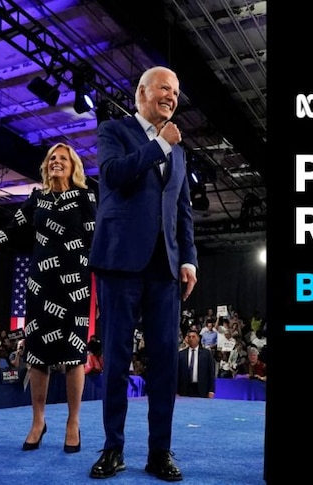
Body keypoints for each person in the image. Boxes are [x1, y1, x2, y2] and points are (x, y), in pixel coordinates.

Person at [0, 142, 96, 455]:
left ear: (74, 167)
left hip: (75, 288)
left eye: (63, 159)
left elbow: (100, 239)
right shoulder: (37, 199)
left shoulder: (86, 198)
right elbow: (6, 233)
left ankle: (73, 422)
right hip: (41, 285)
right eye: (52, 158)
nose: (57, 161)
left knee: (74, 357)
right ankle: (38, 421)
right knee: (38, 356)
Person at [88, 65, 198, 481]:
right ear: (142, 92)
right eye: (165, 89)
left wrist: (188, 260)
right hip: (120, 265)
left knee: (165, 364)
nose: (171, 97)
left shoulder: (180, 151)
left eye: (176, 91)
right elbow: (113, 176)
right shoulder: (114, 131)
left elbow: (182, 211)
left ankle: (159, 453)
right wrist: (159, 146)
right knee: (115, 361)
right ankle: (113, 449)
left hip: (165, 271)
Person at [177, 329, 215, 398]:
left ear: (198, 338)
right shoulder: (181, 354)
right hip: (184, 390)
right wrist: (176, 391)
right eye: (189, 337)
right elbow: (177, 374)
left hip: (201, 389)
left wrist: (211, 390)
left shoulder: (206, 354)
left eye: (193, 336)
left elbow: (211, 373)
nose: (191, 339)